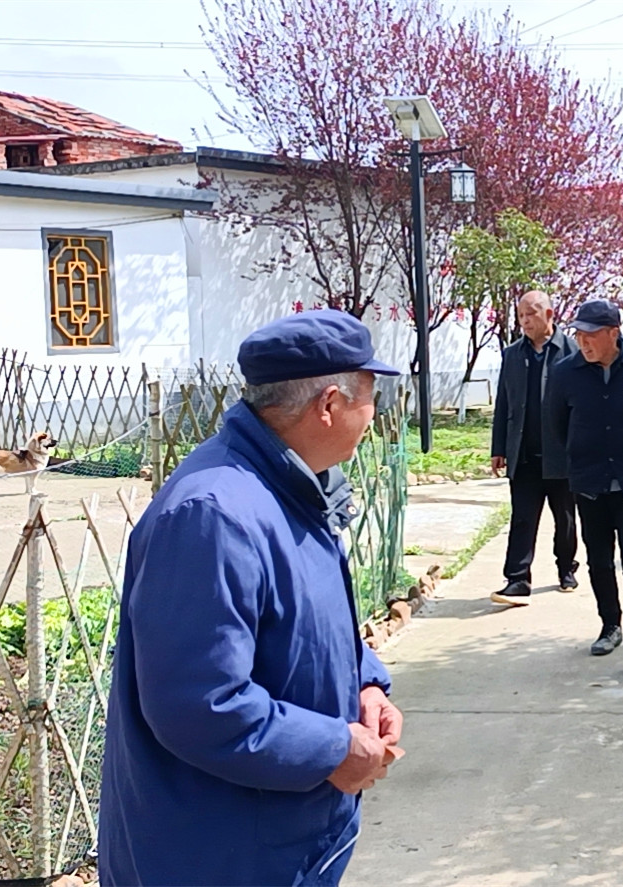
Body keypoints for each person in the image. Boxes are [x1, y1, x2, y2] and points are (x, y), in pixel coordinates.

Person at [100, 310, 404, 886]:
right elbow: (201, 703)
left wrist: (365, 683)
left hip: (285, 839)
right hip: (220, 854)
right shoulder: (215, 515)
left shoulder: (292, 488)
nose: (373, 418)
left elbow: (309, 622)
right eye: (371, 398)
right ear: (330, 405)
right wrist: (333, 748)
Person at [547, 299, 623, 672]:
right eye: (578, 335)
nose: (583, 343)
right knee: (599, 561)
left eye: (591, 335)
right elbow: (557, 425)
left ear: (613, 333)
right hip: (589, 482)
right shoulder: (566, 372)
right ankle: (610, 625)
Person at [488, 290, 580, 606]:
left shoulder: (571, 350)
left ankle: (566, 567)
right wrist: (498, 446)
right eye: (521, 315)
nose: (525, 321)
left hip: (561, 453)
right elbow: (503, 402)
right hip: (524, 453)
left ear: (550, 315)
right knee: (523, 518)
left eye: (531, 314)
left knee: (565, 518)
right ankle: (517, 579)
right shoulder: (513, 354)